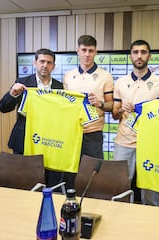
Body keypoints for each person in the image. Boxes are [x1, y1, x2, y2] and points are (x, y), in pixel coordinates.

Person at [0, 48, 64, 188]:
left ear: (53, 66)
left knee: (48, 184)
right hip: (24, 141)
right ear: (35, 63)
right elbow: (3, 107)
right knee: (23, 182)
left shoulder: (60, 87)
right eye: (41, 61)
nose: (45, 65)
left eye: (49, 62)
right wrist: (12, 93)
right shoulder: (22, 83)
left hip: (49, 141)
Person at [112, 40, 159, 206]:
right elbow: (114, 114)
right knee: (120, 188)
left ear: (149, 56)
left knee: (150, 192)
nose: (139, 56)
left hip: (150, 144)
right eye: (135, 52)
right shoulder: (120, 82)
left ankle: (151, 225)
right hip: (124, 142)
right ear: (130, 56)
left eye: (143, 52)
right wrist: (121, 109)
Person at [63, 35, 114, 187]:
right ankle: (70, 205)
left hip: (93, 134)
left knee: (94, 175)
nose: (87, 54)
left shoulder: (106, 76)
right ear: (77, 51)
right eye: (84, 50)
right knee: (70, 174)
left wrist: (100, 103)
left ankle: (93, 205)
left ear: (96, 52)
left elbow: (112, 106)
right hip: (71, 133)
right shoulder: (68, 76)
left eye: (90, 51)